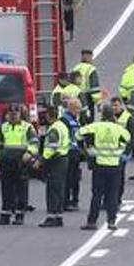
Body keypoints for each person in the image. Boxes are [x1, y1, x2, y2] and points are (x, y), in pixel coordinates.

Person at [78, 105, 131, 230]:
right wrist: (123, 153)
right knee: (112, 194)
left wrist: (85, 149)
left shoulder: (96, 126)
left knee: (97, 194)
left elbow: (78, 134)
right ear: (113, 115)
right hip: (114, 165)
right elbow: (128, 140)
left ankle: (92, 222)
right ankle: (111, 221)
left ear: (102, 115)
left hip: (99, 164)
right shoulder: (119, 129)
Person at [39, 97, 81, 227]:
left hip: (55, 160)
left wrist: (42, 161)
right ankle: (58, 216)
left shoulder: (54, 129)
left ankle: (52, 216)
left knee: (52, 189)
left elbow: (51, 148)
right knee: (60, 188)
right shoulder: (62, 125)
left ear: (48, 116)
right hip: (64, 158)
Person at [0, 104, 38, 225]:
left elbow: (34, 143)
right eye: (11, 113)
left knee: (21, 188)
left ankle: (20, 214)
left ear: (20, 114)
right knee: (6, 188)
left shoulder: (27, 127)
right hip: (6, 161)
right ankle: (5, 215)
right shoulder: (3, 127)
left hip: (21, 161)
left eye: (16, 113)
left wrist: (29, 153)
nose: (13, 116)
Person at [111, 95, 134, 200]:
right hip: (110, 151)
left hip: (122, 151)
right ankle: (111, 198)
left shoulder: (128, 118)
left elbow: (132, 136)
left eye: (116, 105)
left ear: (121, 106)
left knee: (119, 176)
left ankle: (118, 197)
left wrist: (127, 152)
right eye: (112, 106)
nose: (114, 108)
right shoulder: (109, 117)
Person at [71, 49, 102, 121]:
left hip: (75, 99)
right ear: (89, 57)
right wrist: (98, 103)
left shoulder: (75, 68)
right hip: (87, 99)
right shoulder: (91, 69)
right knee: (88, 122)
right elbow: (95, 89)